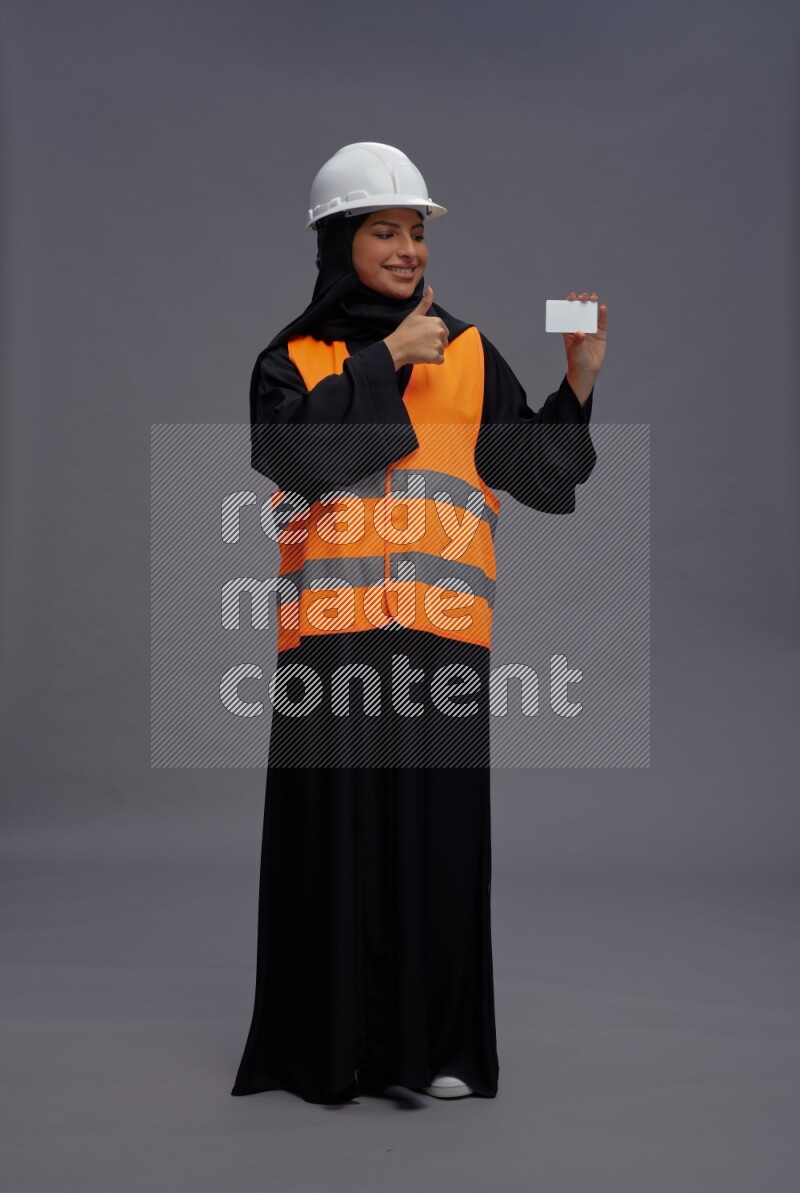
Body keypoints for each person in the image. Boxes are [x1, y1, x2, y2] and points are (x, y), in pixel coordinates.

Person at [230, 142, 606, 1105]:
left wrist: (578, 384)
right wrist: (385, 360)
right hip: (331, 648)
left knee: (437, 849)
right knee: (332, 849)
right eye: (384, 231)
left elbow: (538, 474)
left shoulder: (470, 351)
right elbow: (292, 458)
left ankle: (435, 1047)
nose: (408, 250)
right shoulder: (291, 361)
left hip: (442, 647)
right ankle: (328, 1050)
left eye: (417, 232)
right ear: (338, 243)